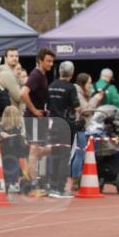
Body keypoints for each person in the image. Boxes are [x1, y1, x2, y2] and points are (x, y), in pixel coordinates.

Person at [20, 47, 55, 189]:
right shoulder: (36, 75)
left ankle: (28, 179)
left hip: (39, 118)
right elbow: (23, 93)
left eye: (52, 61)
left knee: (38, 150)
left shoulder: (42, 74)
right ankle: (33, 184)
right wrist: (34, 110)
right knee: (34, 150)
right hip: (33, 118)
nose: (51, 64)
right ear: (40, 60)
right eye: (48, 61)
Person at [45, 60, 80, 198]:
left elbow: (47, 105)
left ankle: (52, 186)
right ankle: (59, 188)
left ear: (60, 71)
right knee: (65, 156)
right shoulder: (71, 87)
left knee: (54, 154)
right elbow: (77, 107)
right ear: (71, 74)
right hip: (66, 124)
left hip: (54, 124)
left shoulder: (51, 85)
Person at [71, 73, 104, 183]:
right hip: (79, 126)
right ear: (83, 83)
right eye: (89, 83)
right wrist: (95, 98)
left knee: (80, 153)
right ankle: (75, 180)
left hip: (83, 127)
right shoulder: (77, 93)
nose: (90, 85)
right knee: (79, 153)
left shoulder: (83, 93)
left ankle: (78, 178)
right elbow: (86, 110)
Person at [0, 105, 27, 192]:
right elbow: (20, 143)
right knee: (12, 169)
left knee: (8, 169)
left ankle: (10, 184)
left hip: (5, 153)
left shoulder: (1, 128)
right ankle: (11, 184)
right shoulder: (16, 130)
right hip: (13, 154)